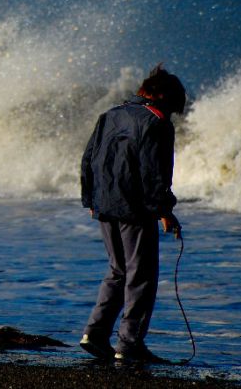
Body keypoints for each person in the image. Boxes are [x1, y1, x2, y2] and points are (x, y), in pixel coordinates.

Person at [79, 64, 186, 363]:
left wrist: (91, 200)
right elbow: (155, 175)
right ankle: (129, 344)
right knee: (141, 276)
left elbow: (88, 159)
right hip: (134, 209)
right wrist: (164, 211)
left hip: (104, 203)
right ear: (163, 96)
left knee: (117, 270)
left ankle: (95, 333)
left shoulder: (110, 114)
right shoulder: (157, 122)